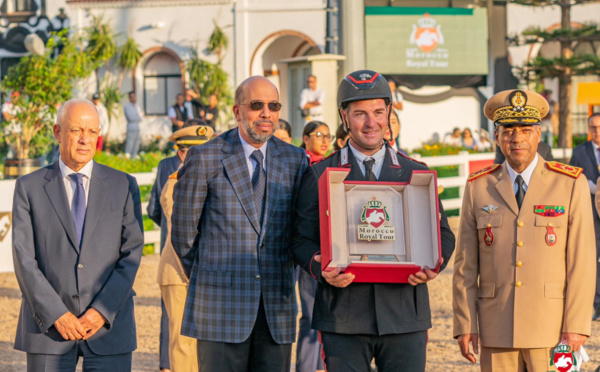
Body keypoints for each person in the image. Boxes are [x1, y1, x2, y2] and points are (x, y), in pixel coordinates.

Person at [292, 70, 456, 372]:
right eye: (360, 114)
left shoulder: (413, 173)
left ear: (389, 113)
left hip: (405, 313)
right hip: (343, 316)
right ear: (344, 116)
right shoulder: (318, 175)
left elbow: (444, 235)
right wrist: (321, 267)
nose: (371, 123)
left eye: (379, 112)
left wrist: (433, 264)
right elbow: (300, 240)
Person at [171, 76, 309, 372]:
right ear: (237, 112)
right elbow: (183, 236)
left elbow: (300, 231)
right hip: (219, 309)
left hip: (276, 310)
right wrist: (213, 277)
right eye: (256, 105)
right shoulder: (205, 156)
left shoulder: (296, 160)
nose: (266, 113)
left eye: (274, 106)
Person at [453, 89, 595, 371]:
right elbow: (465, 265)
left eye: (525, 130)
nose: (516, 139)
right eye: (508, 131)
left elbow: (582, 262)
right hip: (496, 328)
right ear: (496, 137)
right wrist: (465, 323)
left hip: (552, 330)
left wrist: (576, 325)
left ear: (538, 134)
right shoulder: (478, 187)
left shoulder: (569, 184)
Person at [11, 98, 144, 370]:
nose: (85, 139)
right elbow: (24, 260)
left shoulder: (123, 185)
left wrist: (101, 311)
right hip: (48, 330)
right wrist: (56, 314)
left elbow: (131, 254)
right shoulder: (29, 188)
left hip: (109, 326)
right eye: (76, 131)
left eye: (92, 132)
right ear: (57, 132)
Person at [148, 119, 211, 372]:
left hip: (197, 271)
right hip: (180, 271)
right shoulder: (177, 181)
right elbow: (186, 231)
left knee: (202, 345)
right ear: (182, 152)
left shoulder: (204, 178)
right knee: (184, 345)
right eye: (198, 151)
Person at [569, 112, 600, 320]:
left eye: (599, 127)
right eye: (593, 127)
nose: (596, 131)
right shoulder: (580, 151)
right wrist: (585, 185)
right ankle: (597, 303)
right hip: (590, 211)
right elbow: (571, 175)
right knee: (593, 257)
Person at [123, 91, 144, 158]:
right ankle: (127, 156)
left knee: (136, 143)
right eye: (131, 97)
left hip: (137, 127)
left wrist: (137, 117)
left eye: (134, 96)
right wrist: (137, 117)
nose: (133, 98)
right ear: (129, 98)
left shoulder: (137, 106)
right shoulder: (127, 106)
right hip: (131, 127)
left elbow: (141, 117)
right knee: (130, 143)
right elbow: (130, 118)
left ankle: (134, 156)